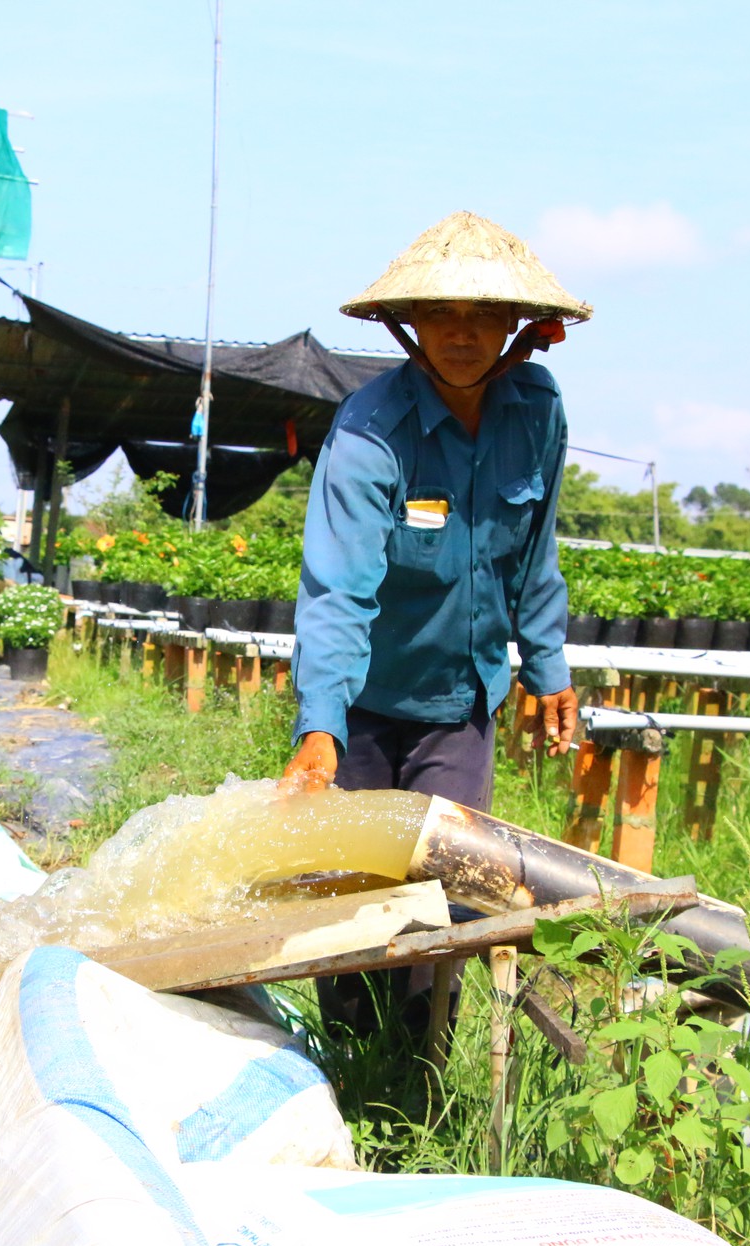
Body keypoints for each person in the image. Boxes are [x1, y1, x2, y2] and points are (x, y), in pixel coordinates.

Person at [277, 211, 589, 1034]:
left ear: (514, 324)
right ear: (407, 325)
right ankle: (345, 1069)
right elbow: (338, 590)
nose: (462, 334)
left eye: (485, 315)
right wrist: (321, 731)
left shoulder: (537, 410)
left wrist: (548, 667)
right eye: (443, 314)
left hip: (459, 708)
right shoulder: (370, 431)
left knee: (440, 909)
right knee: (345, 905)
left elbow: (536, 549)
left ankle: (416, 1093)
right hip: (366, 705)